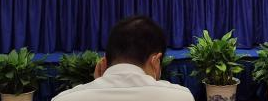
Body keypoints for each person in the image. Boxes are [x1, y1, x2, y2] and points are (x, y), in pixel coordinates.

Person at [52, 15, 194, 101]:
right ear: (156, 62)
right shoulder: (181, 97)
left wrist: (96, 84)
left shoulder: (64, 99)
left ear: (104, 63)